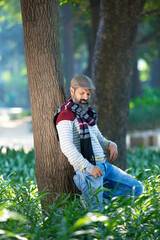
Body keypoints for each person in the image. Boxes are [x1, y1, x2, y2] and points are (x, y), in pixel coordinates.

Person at [54, 75, 143, 209]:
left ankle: (95, 201)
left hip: (105, 166)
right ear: (72, 91)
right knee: (96, 216)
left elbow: (98, 137)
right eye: (82, 93)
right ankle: (93, 203)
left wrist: (110, 144)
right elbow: (66, 146)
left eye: (88, 94)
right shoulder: (66, 114)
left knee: (136, 188)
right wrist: (90, 168)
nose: (86, 97)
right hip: (88, 171)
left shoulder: (86, 113)